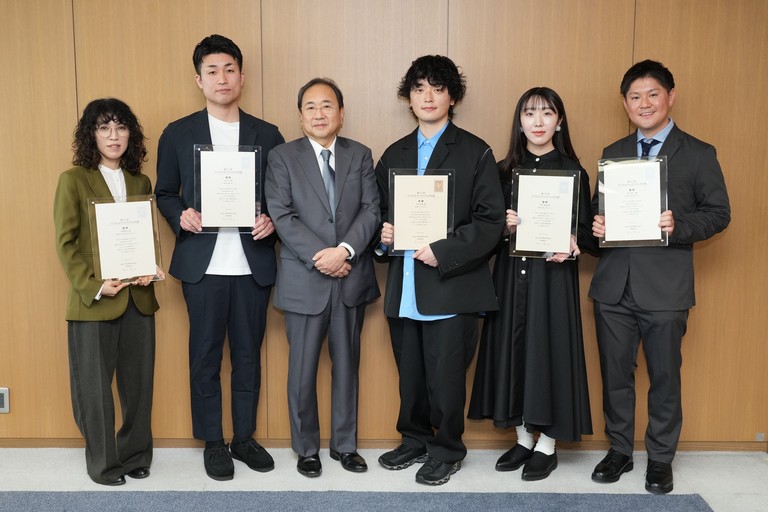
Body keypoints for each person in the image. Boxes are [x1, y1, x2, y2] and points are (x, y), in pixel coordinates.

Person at [589, 60, 730, 494]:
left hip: (666, 289)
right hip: (613, 286)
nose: (644, 103)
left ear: (670, 96)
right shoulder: (613, 152)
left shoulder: (698, 153)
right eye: (635, 96)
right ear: (625, 103)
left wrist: (678, 225)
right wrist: (597, 227)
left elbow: (718, 213)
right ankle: (619, 450)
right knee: (615, 375)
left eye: (652, 94)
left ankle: (661, 458)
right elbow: (598, 213)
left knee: (665, 377)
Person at [155, 34, 285, 481]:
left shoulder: (268, 134)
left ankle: (243, 437)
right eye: (212, 71)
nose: (222, 78)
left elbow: (281, 196)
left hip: (252, 263)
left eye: (229, 69)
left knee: (248, 357)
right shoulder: (178, 133)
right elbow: (164, 192)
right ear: (199, 80)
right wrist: (181, 215)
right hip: (203, 265)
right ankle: (213, 441)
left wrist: (272, 220)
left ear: (242, 76)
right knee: (205, 357)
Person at [375, 55, 505, 486]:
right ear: (408, 98)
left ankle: (447, 449)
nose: (427, 97)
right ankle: (414, 439)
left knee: (446, 379)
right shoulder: (394, 153)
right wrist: (384, 235)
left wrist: (443, 250)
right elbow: (378, 215)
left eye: (437, 88)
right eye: (418, 89)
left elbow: (490, 222)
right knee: (410, 374)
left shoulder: (475, 151)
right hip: (406, 286)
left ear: (453, 96)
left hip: (451, 284)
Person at [468, 87, 594, 481]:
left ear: (560, 121)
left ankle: (547, 446)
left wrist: (573, 242)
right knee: (514, 352)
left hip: (553, 279)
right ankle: (523, 438)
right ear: (519, 122)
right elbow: (483, 232)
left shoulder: (574, 171)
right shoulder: (503, 171)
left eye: (547, 113)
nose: (538, 122)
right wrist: (503, 230)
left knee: (549, 353)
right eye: (529, 113)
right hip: (510, 277)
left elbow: (588, 234)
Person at [265, 78, 380, 478]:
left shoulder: (360, 154)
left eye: (327, 106)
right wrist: (323, 257)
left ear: (341, 114)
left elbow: (371, 209)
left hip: (350, 276)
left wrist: (344, 251)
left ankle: (345, 446)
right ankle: (306, 449)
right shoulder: (282, 157)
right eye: (310, 107)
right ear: (300, 116)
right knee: (302, 370)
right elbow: (281, 215)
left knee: (347, 367)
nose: (319, 114)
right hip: (304, 279)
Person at [54, 98, 160, 486]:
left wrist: (150, 268)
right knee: (94, 390)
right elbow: (66, 243)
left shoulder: (140, 181)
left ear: (131, 134)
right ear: (91, 135)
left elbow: (143, 237)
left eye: (120, 127)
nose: (113, 136)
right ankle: (103, 464)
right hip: (94, 300)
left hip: (137, 298)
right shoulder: (73, 179)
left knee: (139, 386)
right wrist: (95, 285)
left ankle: (135, 456)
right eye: (104, 128)